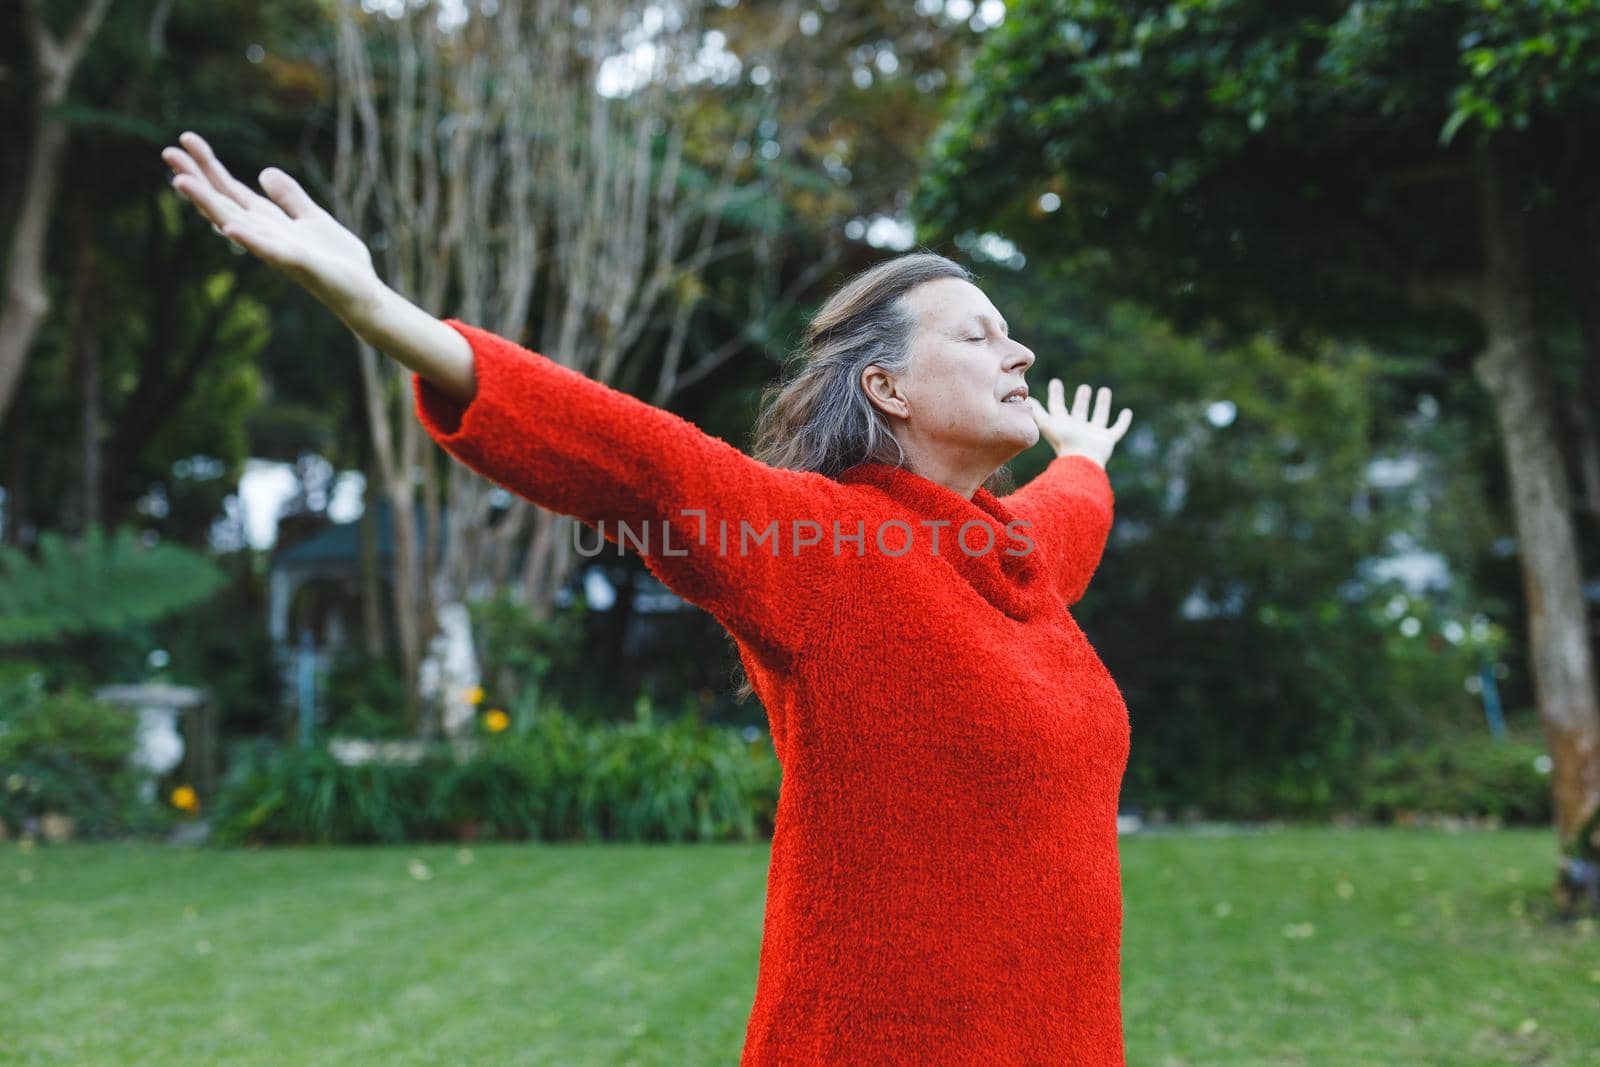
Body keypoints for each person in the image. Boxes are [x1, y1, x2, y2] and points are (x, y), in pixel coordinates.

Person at [162, 129, 1136, 1065]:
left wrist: (1084, 460)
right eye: (979, 335)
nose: (1019, 357)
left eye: (1012, 338)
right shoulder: (828, 548)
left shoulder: (1014, 561)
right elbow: (645, 465)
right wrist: (384, 312)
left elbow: (1069, 511)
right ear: (886, 387)